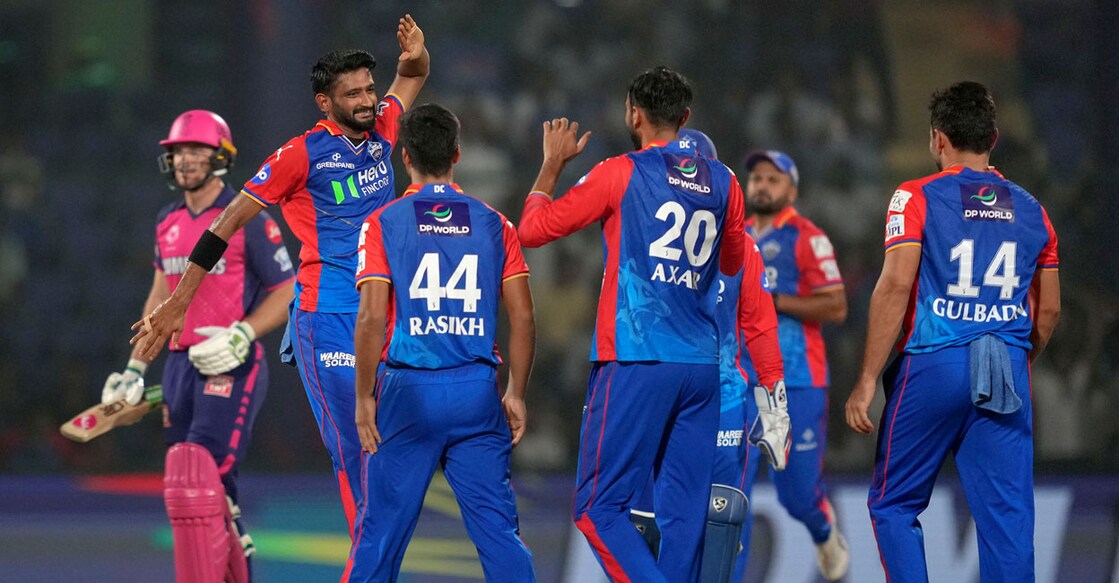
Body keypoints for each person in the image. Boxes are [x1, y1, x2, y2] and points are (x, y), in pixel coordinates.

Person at [130, 15, 430, 543]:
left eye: (369, 89)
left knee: (392, 445)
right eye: (353, 94)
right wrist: (178, 302)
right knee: (355, 448)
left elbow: (414, 75)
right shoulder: (300, 155)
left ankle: (375, 559)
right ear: (324, 102)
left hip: (385, 314)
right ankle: (369, 562)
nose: (368, 101)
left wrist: (415, 54)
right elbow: (224, 224)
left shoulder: (381, 125)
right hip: (328, 316)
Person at [517, 66, 747, 582]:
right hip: (701, 367)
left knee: (597, 508)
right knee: (684, 516)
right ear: (685, 117)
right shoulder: (726, 181)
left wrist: (551, 165)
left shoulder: (619, 172)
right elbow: (732, 263)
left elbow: (532, 230)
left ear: (633, 114)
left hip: (636, 357)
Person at [845, 81, 1061, 582]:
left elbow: (896, 285)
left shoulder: (914, 197)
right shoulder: (1034, 211)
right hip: (1004, 365)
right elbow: (1048, 312)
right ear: (994, 138)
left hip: (934, 360)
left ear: (937, 139)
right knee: (1007, 522)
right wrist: (1017, 358)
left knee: (894, 504)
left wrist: (866, 380)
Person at [101, 109, 295, 582]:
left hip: (230, 365)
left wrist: (243, 333)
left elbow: (289, 289)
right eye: (178, 151)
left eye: (196, 150)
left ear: (220, 156)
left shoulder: (246, 216)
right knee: (192, 490)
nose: (185, 160)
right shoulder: (167, 221)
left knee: (203, 476)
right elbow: (159, 297)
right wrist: (134, 369)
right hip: (178, 368)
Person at [351, 103, 536, 582]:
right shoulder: (496, 224)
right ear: (457, 154)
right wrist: (516, 392)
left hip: (408, 393)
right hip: (477, 392)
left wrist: (364, 396)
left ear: (405, 156)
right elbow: (522, 316)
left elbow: (371, 316)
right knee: (499, 535)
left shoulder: (383, 222)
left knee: (380, 535)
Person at [628, 128, 791, 583]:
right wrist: (775, 406)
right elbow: (761, 327)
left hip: (659, 396)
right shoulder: (745, 245)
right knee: (715, 528)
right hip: (719, 401)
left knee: (655, 524)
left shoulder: (641, 234)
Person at [737, 149, 850, 581]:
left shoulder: (807, 237)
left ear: (792, 189)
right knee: (733, 492)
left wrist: (776, 301)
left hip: (796, 380)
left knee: (797, 496)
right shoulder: (735, 236)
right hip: (741, 381)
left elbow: (836, 306)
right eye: (757, 178)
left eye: (773, 179)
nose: (762, 185)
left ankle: (823, 531)